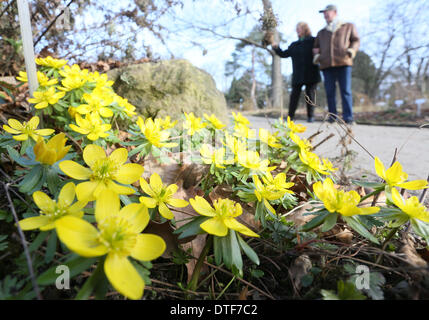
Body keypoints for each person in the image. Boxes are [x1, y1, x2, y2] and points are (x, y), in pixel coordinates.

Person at [313, 4, 360, 124]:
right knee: (329, 92)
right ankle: (332, 117)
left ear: (335, 12)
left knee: (346, 91)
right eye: (324, 13)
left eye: (327, 12)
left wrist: (352, 50)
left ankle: (348, 118)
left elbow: (355, 40)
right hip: (326, 65)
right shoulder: (321, 32)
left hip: (344, 62)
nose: (325, 14)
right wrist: (317, 55)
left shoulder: (348, 26)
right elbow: (316, 47)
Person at [270, 22, 321, 122]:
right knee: (294, 95)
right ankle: (290, 117)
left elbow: (320, 50)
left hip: (311, 73)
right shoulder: (294, 45)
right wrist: (276, 47)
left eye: (300, 28)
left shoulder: (313, 41)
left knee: (310, 95)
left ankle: (311, 116)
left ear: (305, 29)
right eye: (297, 28)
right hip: (298, 75)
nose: (297, 30)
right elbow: (284, 54)